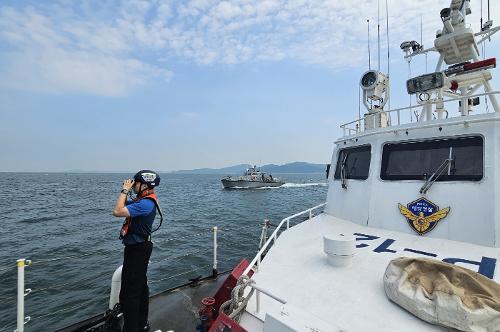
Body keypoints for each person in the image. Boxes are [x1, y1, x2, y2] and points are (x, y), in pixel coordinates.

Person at [113, 170, 163, 332]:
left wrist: (124, 190)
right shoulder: (142, 201)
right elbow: (122, 205)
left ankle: (132, 328)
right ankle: (142, 324)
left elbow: (117, 211)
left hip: (138, 250)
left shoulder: (145, 204)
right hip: (137, 248)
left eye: (136, 183)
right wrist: (126, 193)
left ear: (145, 185)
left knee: (130, 294)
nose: (133, 186)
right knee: (139, 288)